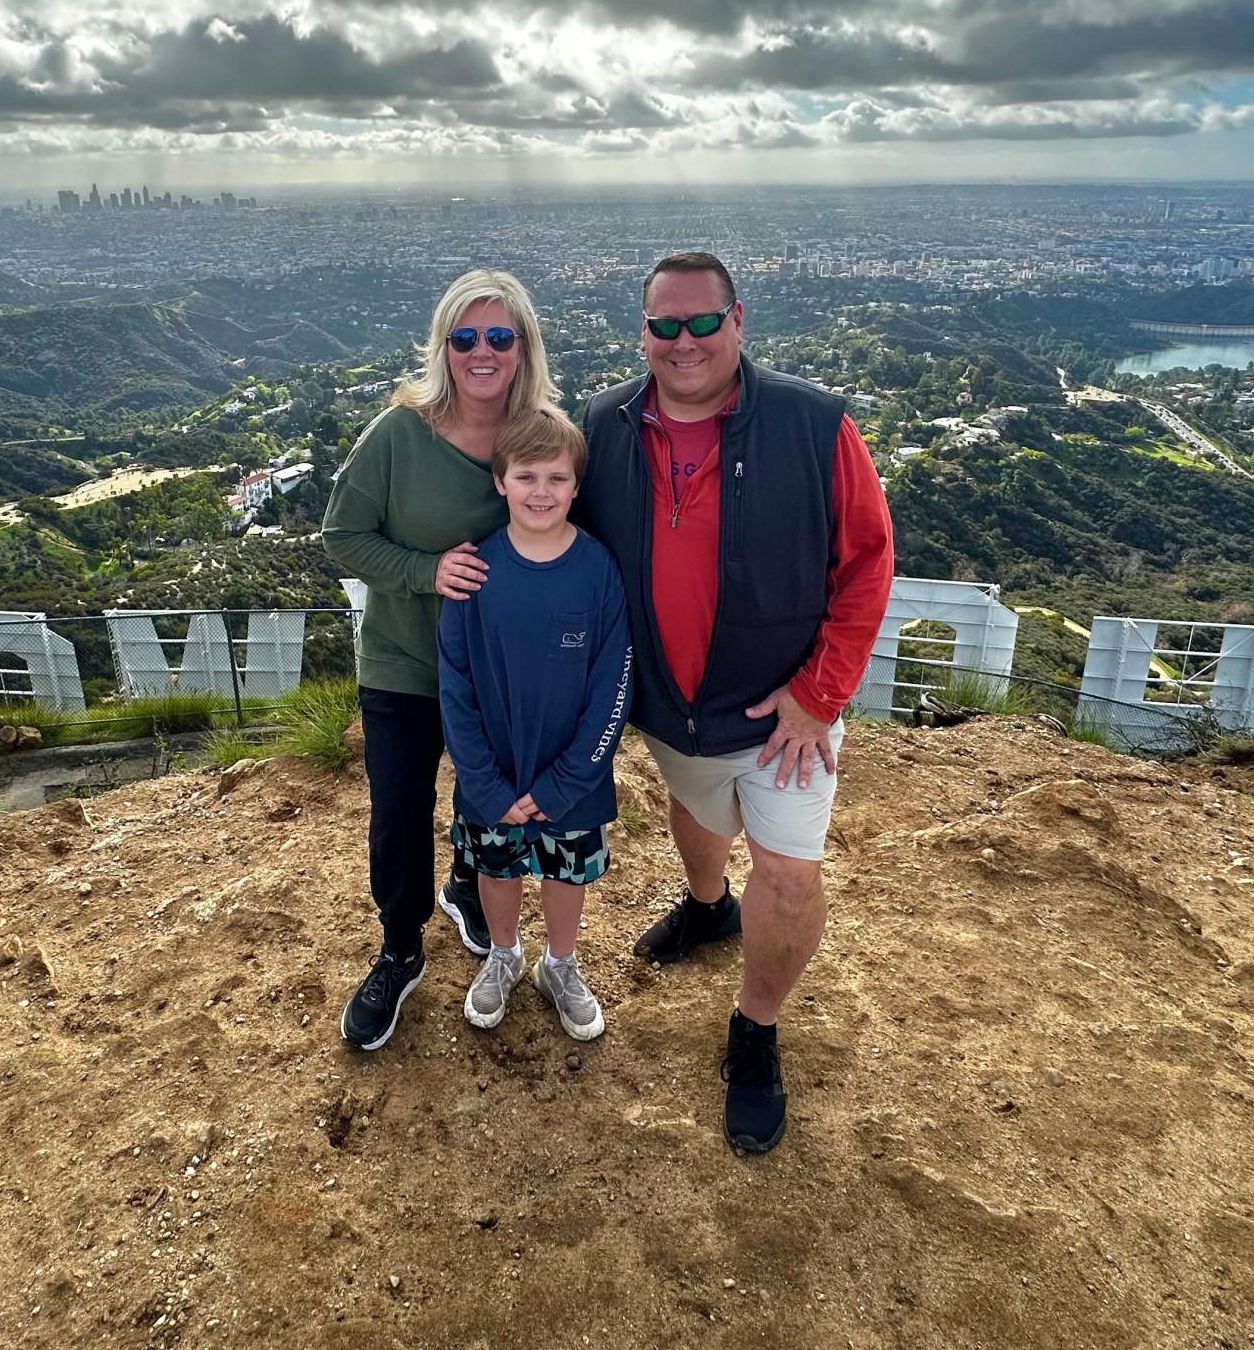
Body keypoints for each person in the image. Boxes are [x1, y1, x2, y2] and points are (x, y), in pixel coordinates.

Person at [573, 251, 895, 1153]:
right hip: (669, 705)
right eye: (664, 326)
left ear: (738, 322)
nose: (684, 343)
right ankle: (710, 906)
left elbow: (868, 563)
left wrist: (818, 696)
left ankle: (755, 1027)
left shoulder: (813, 425)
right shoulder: (602, 426)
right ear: (641, 333)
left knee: (788, 872)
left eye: (702, 322)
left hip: (782, 713)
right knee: (695, 805)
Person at [323, 268, 559, 1051]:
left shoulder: (541, 438)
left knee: (484, 796)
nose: (482, 352)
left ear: (524, 347)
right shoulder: (399, 435)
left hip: (497, 673)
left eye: (500, 336)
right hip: (401, 662)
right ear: (443, 348)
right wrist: (426, 572)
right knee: (397, 811)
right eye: (465, 338)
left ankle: (465, 886)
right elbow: (342, 536)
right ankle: (399, 948)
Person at [438, 406, 631, 1042]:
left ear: (578, 485)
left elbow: (612, 688)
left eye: (556, 478)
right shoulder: (474, 572)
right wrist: (486, 785)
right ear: (500, 480)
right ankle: (504, 954)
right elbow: (456, 686)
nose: (541, 492)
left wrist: (565, 782)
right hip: (491, 773)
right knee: (496, 868)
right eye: (525, 476)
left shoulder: (599, 570)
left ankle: (560, 964)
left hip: (572, 778)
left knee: (564, 871)